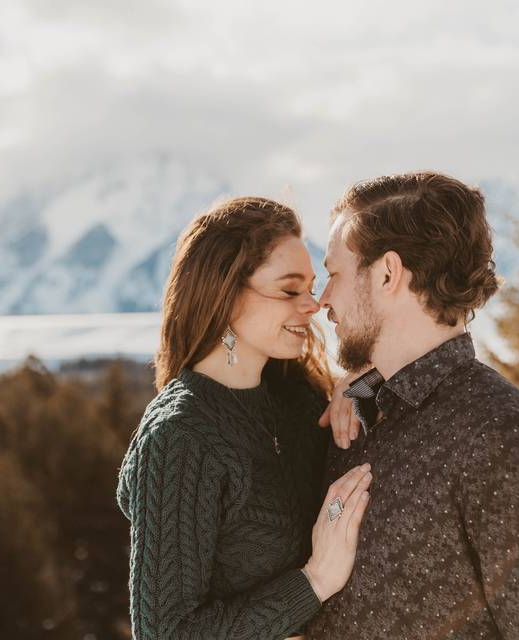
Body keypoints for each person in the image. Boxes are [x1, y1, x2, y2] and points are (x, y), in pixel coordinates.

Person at [306, 172, 519, 639]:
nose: (323, 300)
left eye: (334, 274)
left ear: (387, 274)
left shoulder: (507, 441)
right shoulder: (358, 415)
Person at [116, 196, 373, 639]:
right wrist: (314, 582)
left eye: (310, 288)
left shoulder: (298, 396)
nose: (312, 306)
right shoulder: (180, 436)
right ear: (225, 292)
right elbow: (166, 633)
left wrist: (358, 385)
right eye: (289, 290)